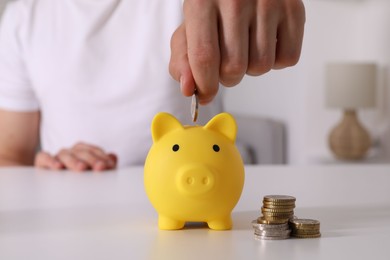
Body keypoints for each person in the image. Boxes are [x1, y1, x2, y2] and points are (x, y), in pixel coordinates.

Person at [0, 0, 305, 171]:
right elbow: (10, 156)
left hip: (194, 206)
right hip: (70, 203)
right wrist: (46, 171)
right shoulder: (22, 17)